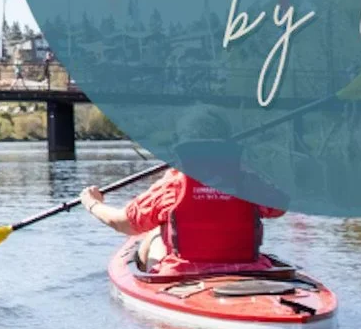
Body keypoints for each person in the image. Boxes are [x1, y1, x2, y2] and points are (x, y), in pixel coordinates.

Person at [79, 112, 286, 276]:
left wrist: (92, 204)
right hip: (249, 271)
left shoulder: (173, 185)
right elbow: (280, 205)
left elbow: (124, 223)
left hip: (183, 276)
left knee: (153, 235)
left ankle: (155, 279)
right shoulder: (247, 181)